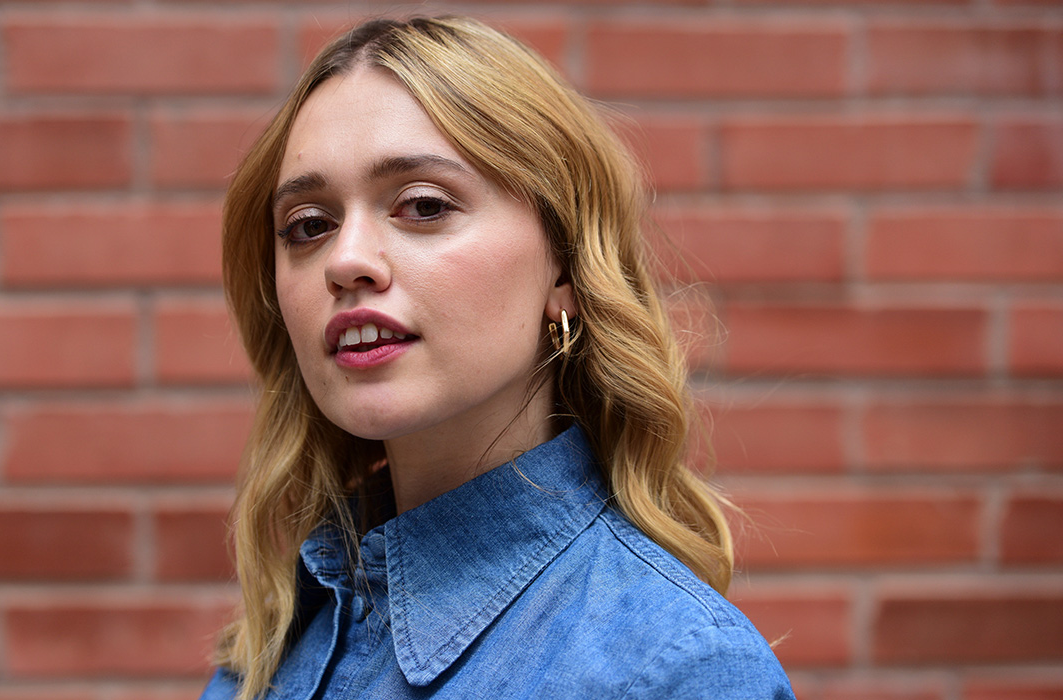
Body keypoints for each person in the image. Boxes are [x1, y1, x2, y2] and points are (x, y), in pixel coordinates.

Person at [200, 15, 795, 700]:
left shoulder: (676, 669)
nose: (347, 261)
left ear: (564, 267)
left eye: (423, 206)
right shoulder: (279, 640)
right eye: (309, 225)